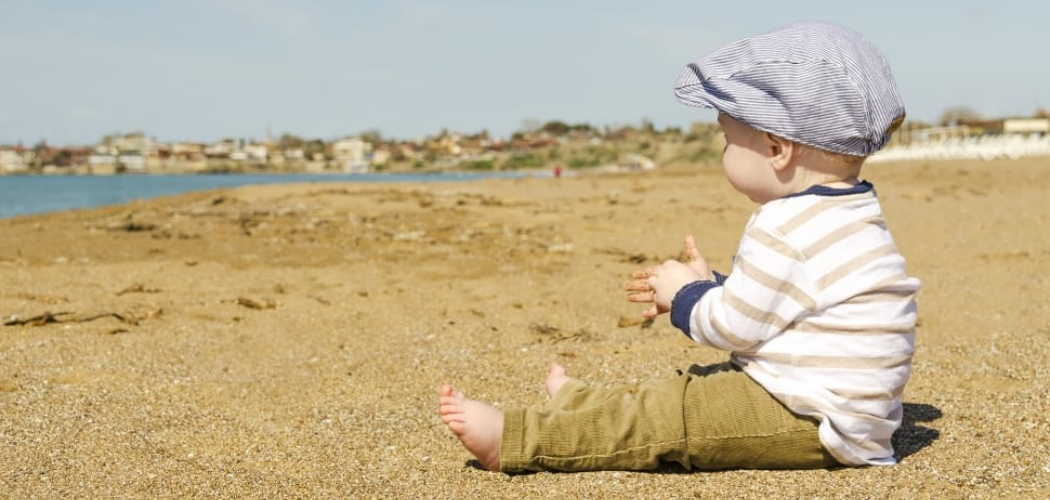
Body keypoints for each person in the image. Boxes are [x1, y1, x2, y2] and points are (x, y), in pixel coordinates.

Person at [439, 21, 920, 472]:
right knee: (690, 386)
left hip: (812, 419)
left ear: (777, 149)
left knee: (672, 415)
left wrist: (684, 298)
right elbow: (788, 305)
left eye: (729, 140)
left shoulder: (783, 225)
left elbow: (734, 328)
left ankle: (518, 439)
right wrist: (713, 285)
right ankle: (582, 403)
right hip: (846, 412)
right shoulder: (853, 211)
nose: (724, 151)